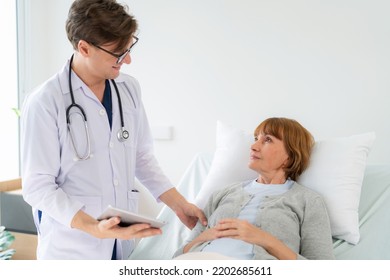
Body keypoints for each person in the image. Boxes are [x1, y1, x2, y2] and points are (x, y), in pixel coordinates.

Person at [20, 0, 206, 260]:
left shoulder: (128, 89)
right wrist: (92, 227)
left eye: (128, 49)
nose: (127, 60)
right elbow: (37, 186)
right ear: (84, 47)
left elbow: (141, 157)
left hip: (121, 243)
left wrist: (179, 204)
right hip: (72, 248)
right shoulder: (46, 101)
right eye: (118, 53)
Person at [173, 117, 335, 260]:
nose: (254, 146)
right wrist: (203, 238)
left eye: (267, 140)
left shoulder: (308, 201)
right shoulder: (222, 194)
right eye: (256, 138)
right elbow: (177, 256)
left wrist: (265, 240)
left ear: (290, 156)